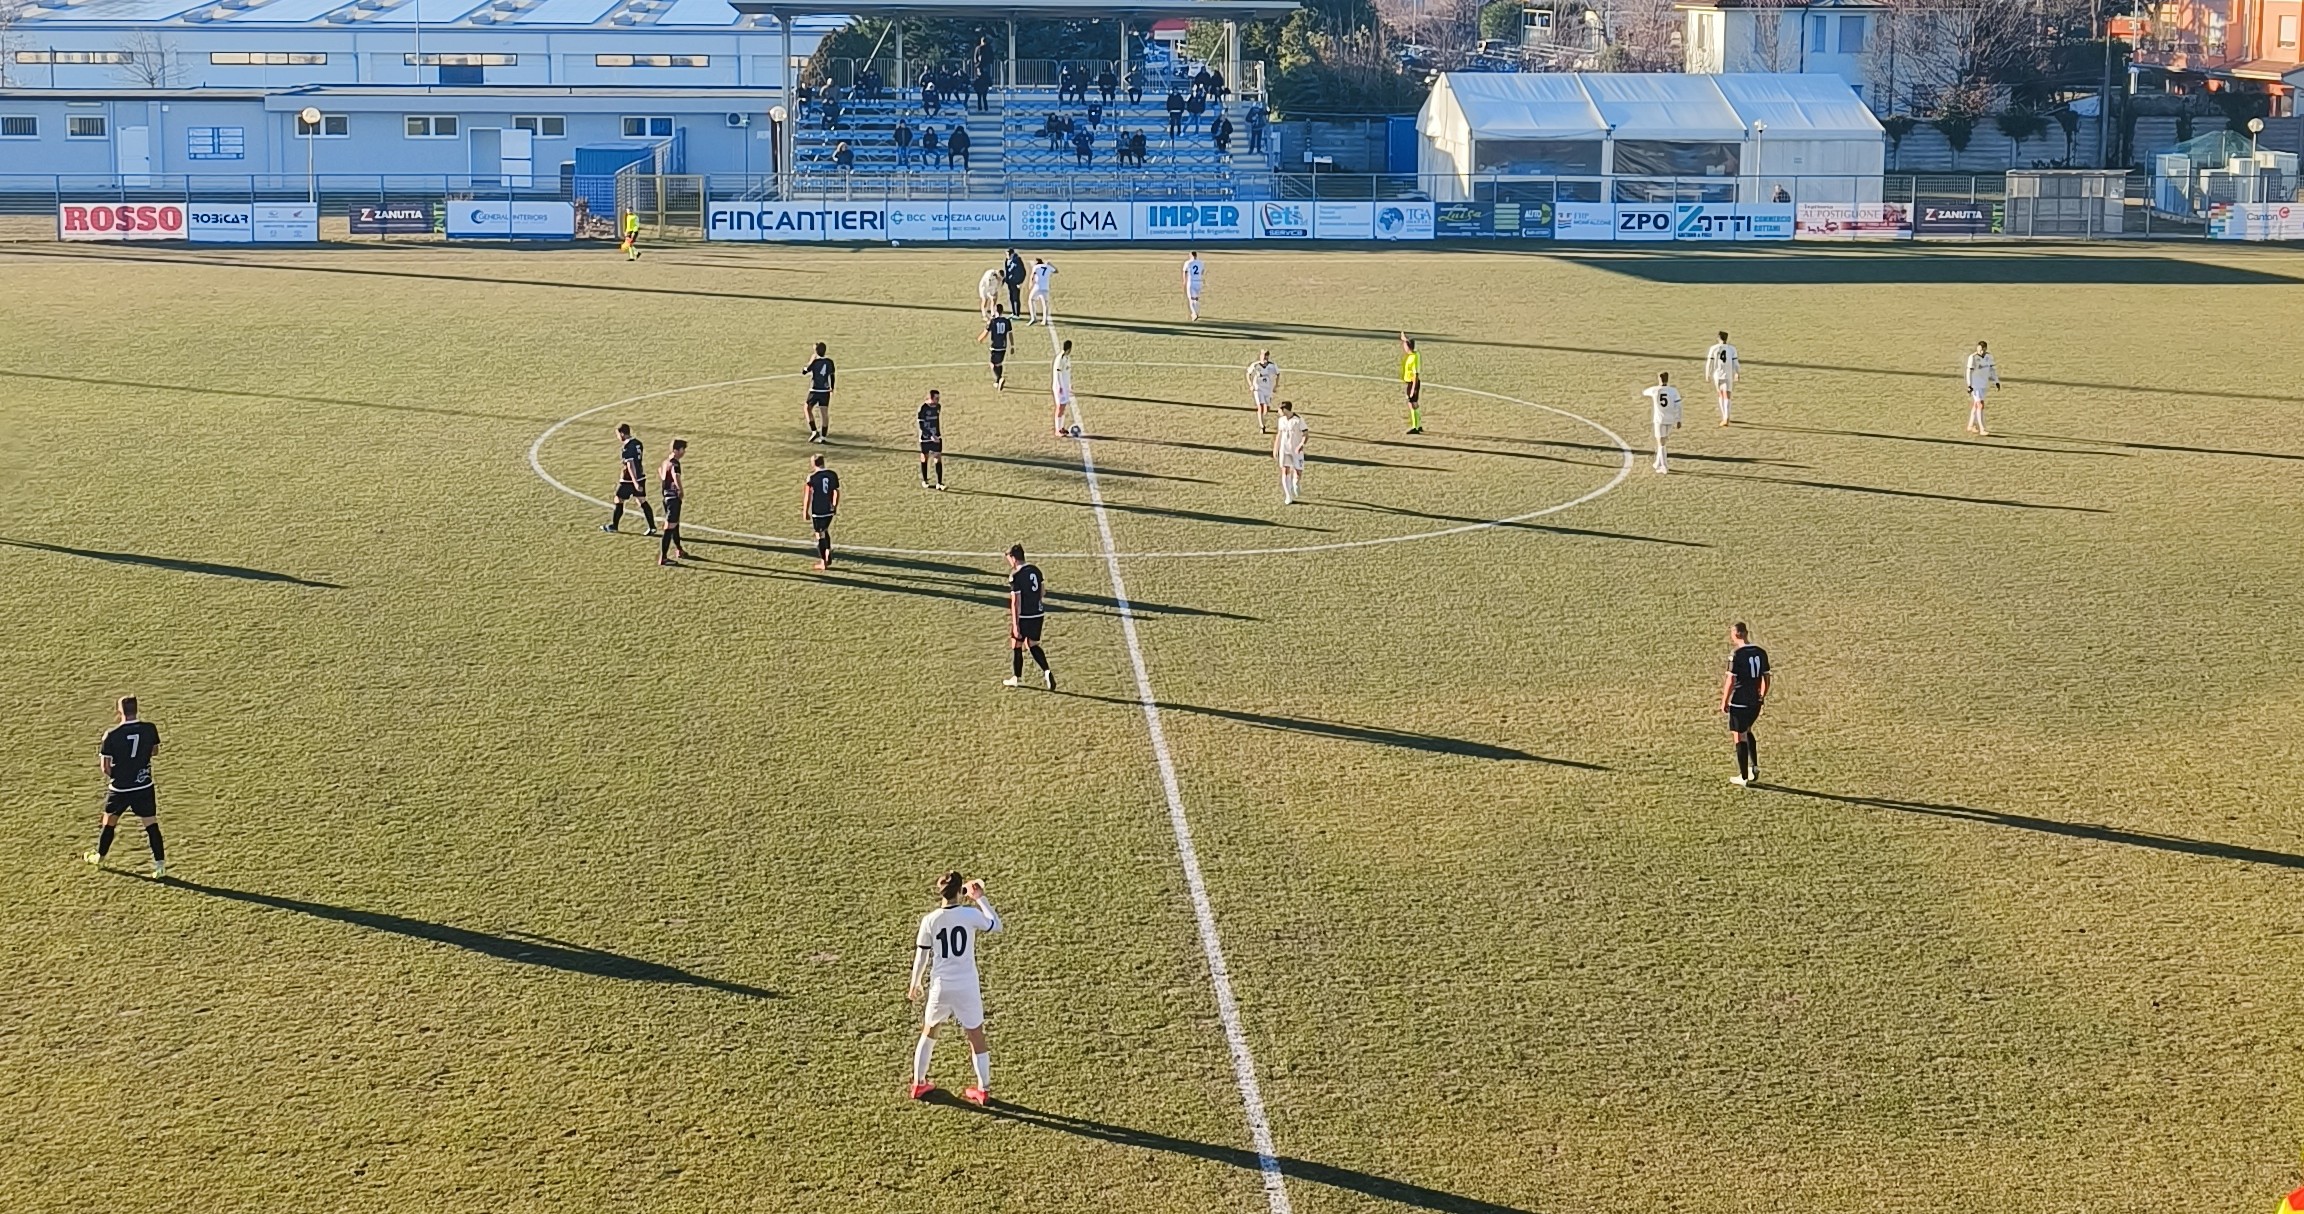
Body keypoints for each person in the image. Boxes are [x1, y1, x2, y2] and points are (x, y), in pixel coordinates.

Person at [907, 870, 1002, 1105]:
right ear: (961, 891)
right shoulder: (969, 915)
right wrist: (980, 897)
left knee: (929, 1033)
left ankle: (919, 1084)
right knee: (976, 1037)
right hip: (966, 986)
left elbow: (922, 956)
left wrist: (915, 983)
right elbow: (996, 925)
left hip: (941, 986)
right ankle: (983, 1090)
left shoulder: (930, 920)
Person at [84, 696, 165, 878]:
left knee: (109, 822)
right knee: (151, 823)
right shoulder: (149, 728)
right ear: (136, 709)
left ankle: (100, 857)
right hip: (144, 784)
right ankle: (160, 865)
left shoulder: (111, 735)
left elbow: (105, 767)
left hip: (120, 789)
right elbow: (154, 751)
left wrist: (121, 776)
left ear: (119, 711)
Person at [1719, 622, 1771, 787]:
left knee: (1738, 735)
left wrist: (1724, 701)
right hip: (1755, 701)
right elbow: (1766, 677)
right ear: (1746, 633)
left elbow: (1731, 680)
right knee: (1748, 730)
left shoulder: (1736, 654)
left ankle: (1743, 776)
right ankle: (1753, 766)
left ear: (1735, 635)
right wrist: (1762, 695)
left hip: (1740, 702)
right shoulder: (1760, 652)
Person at [1004, 544, 1053, 689]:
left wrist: (1016, 624)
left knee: (1016, 643)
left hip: (1024, 616)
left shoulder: (1016, 576)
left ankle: (1016, 677)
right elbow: (1043, 592)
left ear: (1013, 558)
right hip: (1038, 614)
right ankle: (1046, 670)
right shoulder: (1036, 571)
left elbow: (1015, 603)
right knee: (1032, 644)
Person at [602, 423, 657, 534]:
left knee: (618, 499)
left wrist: (635, 482)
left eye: (618, 434)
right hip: (641, 476)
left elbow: (630, 465)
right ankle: (652, 527)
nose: (618, 437)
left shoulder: (627, 447)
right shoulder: (638, 443)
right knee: (641, 500)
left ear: (622, 433)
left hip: (629, 479)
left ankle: (614, 526)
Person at [802, 454, 839, 570]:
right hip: (829, 510)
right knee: (825, 530)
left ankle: (823, 561)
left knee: (820, 535)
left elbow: (808, 496)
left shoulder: (812, 477)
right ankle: (828, 552)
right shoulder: (832, 474)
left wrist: (805, 511)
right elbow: (836, 492)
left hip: (818, 511)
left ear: (813, 464)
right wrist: (834, 505)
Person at [1643, 371, 1683, 473]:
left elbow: (1644, 392)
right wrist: (1678, 419)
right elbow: (1679, 406)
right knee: (1663, 441)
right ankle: (1657, 462)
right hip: (1670, 419)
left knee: (1661, 443)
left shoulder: (1655, 390)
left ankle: (1664, 466)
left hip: (1659, 420)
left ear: (1659, 379)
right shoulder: (1673, 391)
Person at [1272, 400, 1309, 505]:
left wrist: (1301, 444)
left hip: (1296, 450)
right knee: (1285, 470)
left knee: (1298, 471)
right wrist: (1276, 448)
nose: (1278, 412)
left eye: (1279, 409)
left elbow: (1306, 434)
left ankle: (1295, 482)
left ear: (1284, 409)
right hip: (1285, 449)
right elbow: (1279, 434)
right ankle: (1288, 496)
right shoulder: (1281, 420)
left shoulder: (1298, 420)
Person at [1704, 330, 1740, 426]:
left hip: (1717, 374)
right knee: (1727, 395)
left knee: (1720, 394)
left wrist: (1707, 374)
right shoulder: (1732, 349)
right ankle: (1727, 417)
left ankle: (1724, 416)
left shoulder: (1713, 348)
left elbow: (1709, 363)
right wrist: (1737, 373)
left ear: (1718, 338)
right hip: (1728, 374)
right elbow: (1736, 363)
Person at [1964, 340, 2001, 436]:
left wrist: (1996, 381)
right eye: (1979, 350)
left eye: (1983, 350)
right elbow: (1969, 372)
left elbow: (1992, 370)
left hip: (1984, 384)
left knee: (1976, 405)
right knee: (1980, 405)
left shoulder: (1989, 357)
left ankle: (1970, 425)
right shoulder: (1973, 358)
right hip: (1975, 385)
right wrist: (1969, 385)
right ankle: (1982, 428)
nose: (1981, 352)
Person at [802, 341, 836, 442]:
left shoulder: (815, 362)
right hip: (825, 390)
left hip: (815, 389)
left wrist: (811, 361)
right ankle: (823, 437)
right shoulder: (829, 362)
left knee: (807, 408)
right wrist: (832, 387)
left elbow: (804, 371)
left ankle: (814, 431)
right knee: (824, 413)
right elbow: (832, 375)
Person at [977, 303, 1014, 390]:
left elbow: (986, 332)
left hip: (995, 346)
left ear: (995, 310)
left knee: (992, 364)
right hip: (1003, 346)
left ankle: (999, 378)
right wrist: (1012, 346)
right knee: (999, 363)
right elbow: (1010, 334)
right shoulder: (1007, 321)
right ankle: (998, 381)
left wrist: (980, 339)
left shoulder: (992, 321)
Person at [917, 389, 946, 490]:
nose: (938, 400)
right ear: (931, 398)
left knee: (937, 458)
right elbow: (921, 425)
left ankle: (939, 483)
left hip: (937, 437)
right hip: (925, 438)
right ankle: (925, 481)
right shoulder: (923, 408)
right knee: (924, 458)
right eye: (936, 398)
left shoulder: (938, 407)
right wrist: (930, 435)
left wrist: (936, 435)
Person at [1246, 348, 1279, 432]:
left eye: (1266, 356)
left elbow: (1278, 374)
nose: (1264, 358)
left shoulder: (1272, 365)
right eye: (1263, 355)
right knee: (1260, 407)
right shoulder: (1255, 365)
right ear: (1260, 356)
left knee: (1266, 408)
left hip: (1268, 388)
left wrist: (1276, 385)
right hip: (1258, 388)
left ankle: (1263, 420)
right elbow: (1248, 374)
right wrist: (1251, 385)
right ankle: (1262, 426)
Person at [1051, 338, 1078, 436]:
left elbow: (1067, 372)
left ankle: (1061, 428)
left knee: (1063, 407)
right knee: (1060, 407)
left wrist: (1069, 384)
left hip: (1065, 387)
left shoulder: (1066, 357)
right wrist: (1060, 386)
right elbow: (1058, 374)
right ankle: (1057, 430)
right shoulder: (1060, 359)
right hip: (1060, 387)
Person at [1399, 333, 1423, 434]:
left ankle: (1415, 427)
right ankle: (1418, 425)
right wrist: (1404, 338)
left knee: (1411, 403)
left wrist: (1413, 389)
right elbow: (1407, 342)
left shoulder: (1413, 358)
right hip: (1412, 382)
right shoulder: (1415, 354)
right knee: (1414, 403)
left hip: (1413, 383)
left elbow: (1415, 375)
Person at [1026, 257, 1055, 325]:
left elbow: (1032, 275)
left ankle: (1033, 318)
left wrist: (1030, 283)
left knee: (1031, 300)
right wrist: (1051, 264)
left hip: (1037, 287)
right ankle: (1045, 320)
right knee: (1045, 304)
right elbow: (1056, 271)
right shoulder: (1048, 266)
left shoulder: (1036, 267)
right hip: (1045, 287)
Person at [1000, 248, 1026, 316]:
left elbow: (1022, 272)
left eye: (1008, 254)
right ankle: (1013, 312)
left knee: (1016, 298)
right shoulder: (1007, 261)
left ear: (1012, 254)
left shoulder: (1017, 261)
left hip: (1016, 283)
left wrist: (1020, 282)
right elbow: (1007, 271)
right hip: (1010, 282)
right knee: (1011, 297)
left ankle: (1017, 314)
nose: (1007, 256)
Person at [1181, 249, 1204, 320]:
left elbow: (1184, 272)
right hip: (1199, 282)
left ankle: (1194, 313)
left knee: (1191, 299)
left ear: (1190, 255)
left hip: (1191, 282)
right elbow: (1202, 271)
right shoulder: (1201, 263)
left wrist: (1184, 281)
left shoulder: (1188, 263)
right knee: (1196, 298)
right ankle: (1196, 312)